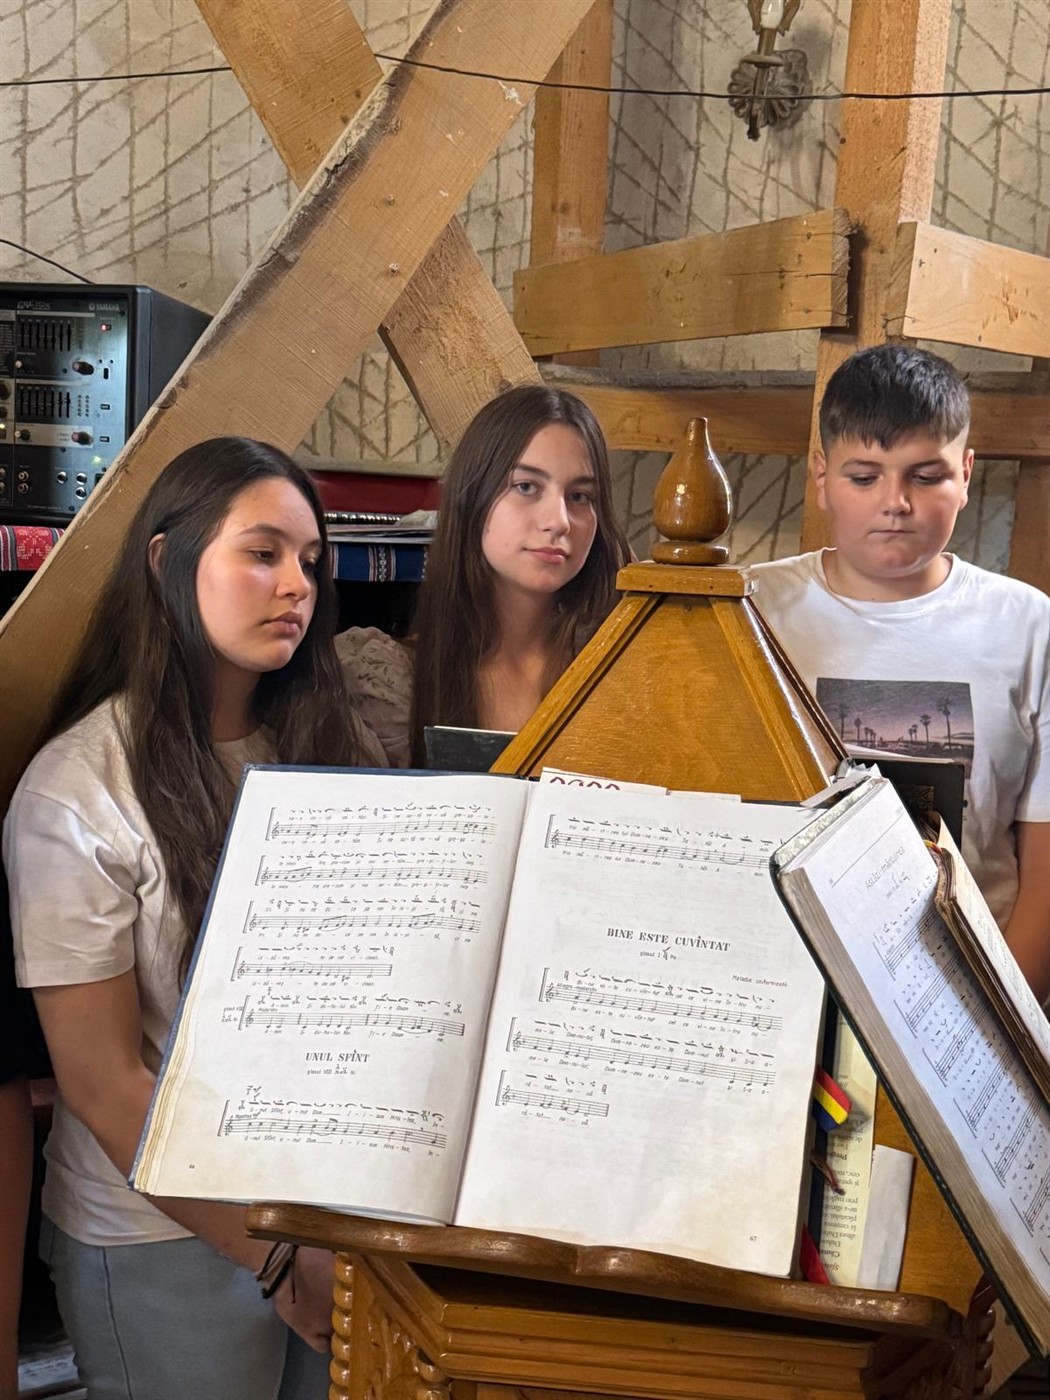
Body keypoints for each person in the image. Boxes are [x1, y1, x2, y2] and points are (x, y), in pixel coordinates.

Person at [3, 437, 386, 1400]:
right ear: (167, 561)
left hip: (326, 1211)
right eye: (262, 553)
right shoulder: (77, 792)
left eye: (310, 561)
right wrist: (274, 1257)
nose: (295, 585)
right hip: (162, 1236)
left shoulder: (332, 745)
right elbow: (103, 1083)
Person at [751, 345, 1049, 1003]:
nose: (896, 503)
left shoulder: (1030, 627)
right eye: (864, 477)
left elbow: (1045, 875)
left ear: (965, 474)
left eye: (925, 476)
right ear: (821, 475)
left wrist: (1000, 1018)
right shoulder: (749, 610)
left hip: (973, 988)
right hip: (780, 985)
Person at [337, 384, 630, 767]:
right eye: (526, 487)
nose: (559, 521)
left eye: (580, 496)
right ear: (473, 497)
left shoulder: (619, 668)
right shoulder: (389, 678)